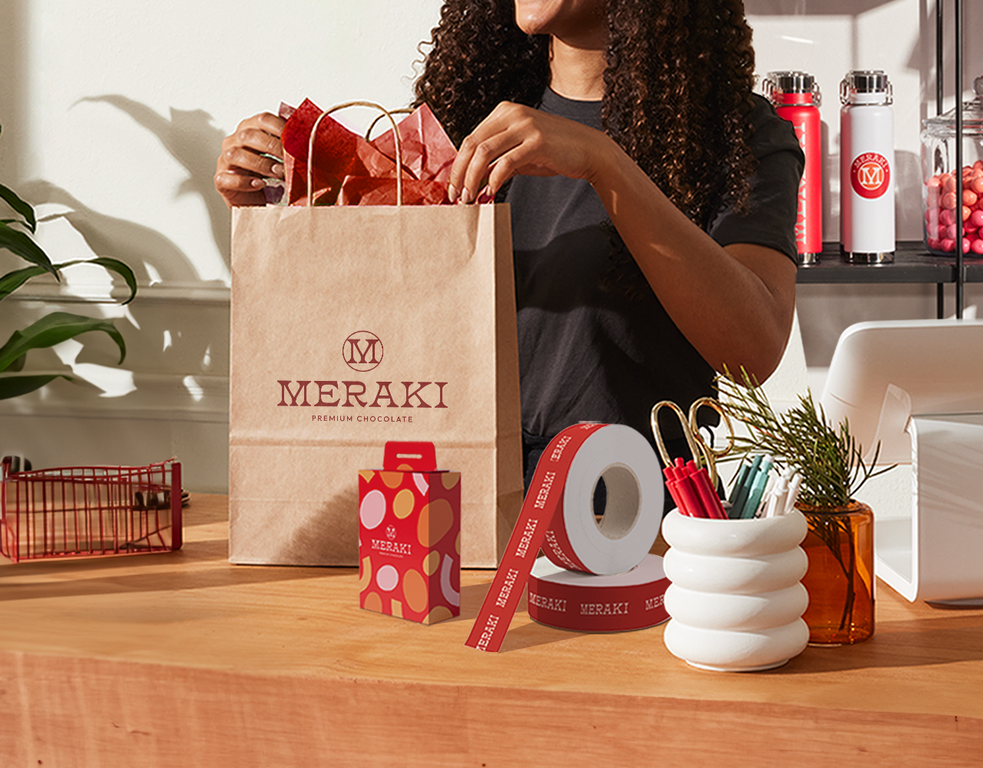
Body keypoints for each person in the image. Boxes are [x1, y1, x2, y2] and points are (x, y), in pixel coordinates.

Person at [215, 0, 803, 495]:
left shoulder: (733, 133)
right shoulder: (456, 125)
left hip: (623, 520)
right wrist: (259, 203)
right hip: (442, 510)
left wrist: (604, 164)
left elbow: (754, 347)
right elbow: (356, 314)